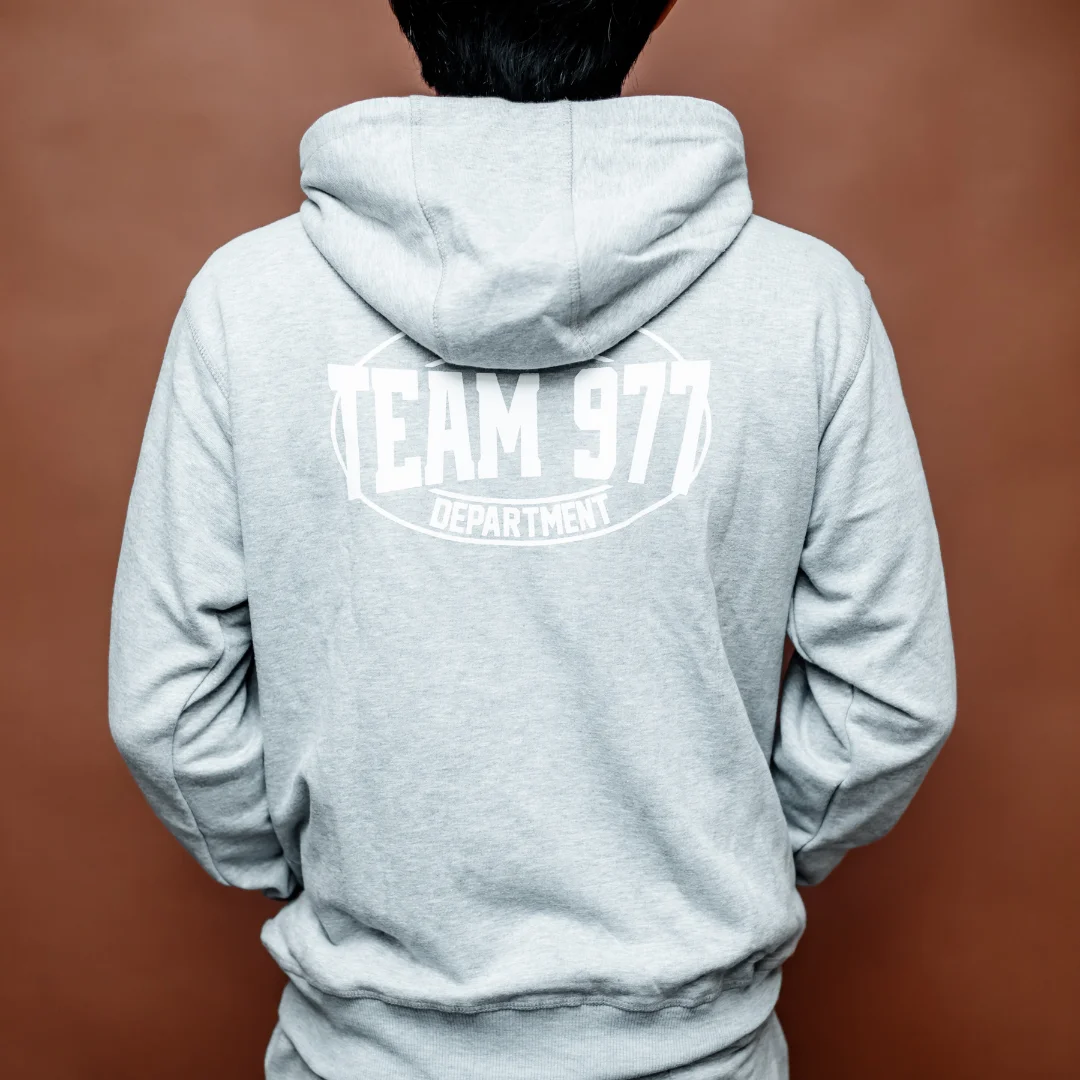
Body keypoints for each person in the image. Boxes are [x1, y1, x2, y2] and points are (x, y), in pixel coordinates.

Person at [107, 2, 957, 1077]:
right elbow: (889, 701)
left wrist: (332, 874)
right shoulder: (806, 302)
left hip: (357, 1052)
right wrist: (724, 859)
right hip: (704, 1051)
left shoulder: (247, 302)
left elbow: (170, 709)